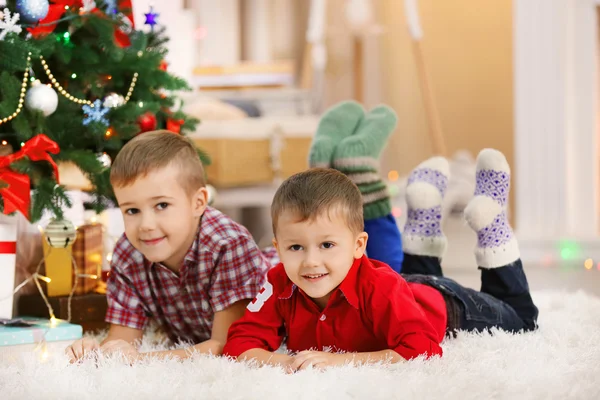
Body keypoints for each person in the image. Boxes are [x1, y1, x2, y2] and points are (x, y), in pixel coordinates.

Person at [222, 147, 539, 372]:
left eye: (327, 244)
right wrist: (287, 362)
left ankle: (493, 225)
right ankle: (424, 215)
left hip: (449, 306)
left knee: (523, 319)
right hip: (403, 290)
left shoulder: (379, 287)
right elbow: (238, 344)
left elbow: (423, 350)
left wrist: (341, 361)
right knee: (403, 282)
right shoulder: (278, 282)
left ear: (358, 245)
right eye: (295, 248)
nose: (310, 262)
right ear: (277, 248)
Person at [66, 131, 272, 362]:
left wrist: (143, 360)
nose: (146, 225)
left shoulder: (228, 244)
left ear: (198, 203)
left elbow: (227, 347)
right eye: (132, 210)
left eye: (161, 205)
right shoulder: (128, 253)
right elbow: (123, 342)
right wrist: (97, 353)